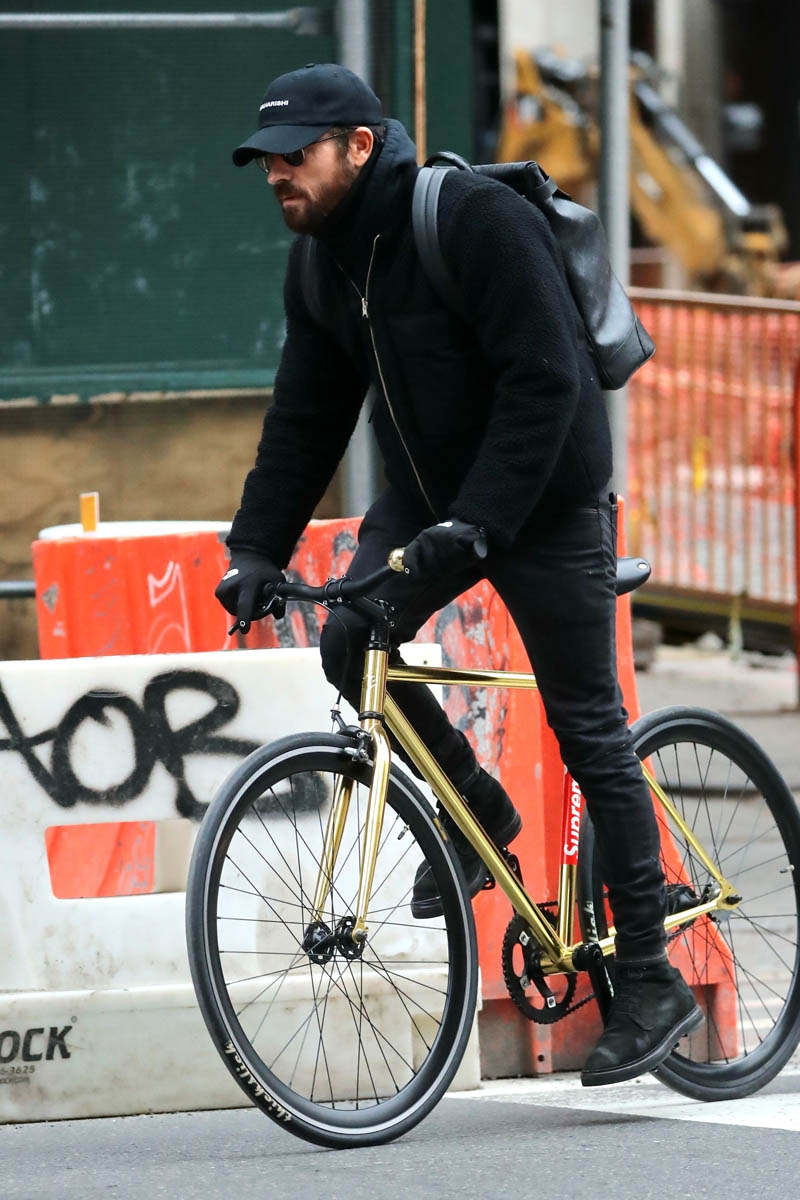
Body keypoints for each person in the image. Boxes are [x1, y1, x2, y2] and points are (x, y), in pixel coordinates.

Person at [215, 62, 702, 1087]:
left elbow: (547, 379)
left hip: (546, 494)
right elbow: (304, 417)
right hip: (433, 493)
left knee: (588, 728)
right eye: (263, 161)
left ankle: (650, 978)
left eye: (293, 156)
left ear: (358, 146)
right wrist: (252, 550)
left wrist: (479, 524)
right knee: (352, 638)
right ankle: (478, 816)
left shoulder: (472, 219)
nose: (275, 176)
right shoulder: (322, 265)